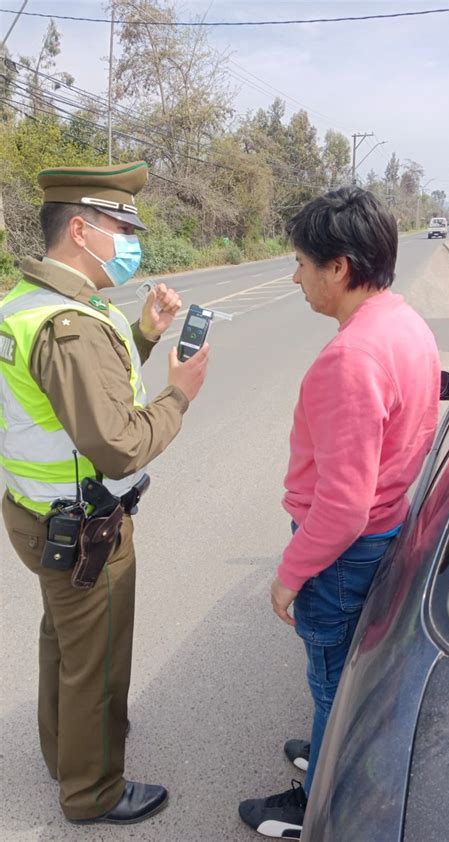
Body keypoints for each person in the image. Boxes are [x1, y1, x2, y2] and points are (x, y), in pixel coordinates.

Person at [0, 161, 209, 825]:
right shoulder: (71, 325)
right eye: (124, 229)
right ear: (83, 230)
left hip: (39, 515)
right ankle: (92, 791)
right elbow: (117, 441)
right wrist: (181, 394)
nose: (133, 242)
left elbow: (84, 402)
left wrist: (145, 332)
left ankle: (64, 748)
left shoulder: (28, 306)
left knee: (63, 636)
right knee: (97, 653)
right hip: (86, 525)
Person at [239, 187, 440, 839]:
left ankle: (319, 800)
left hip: (345, 551)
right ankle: (332, 747)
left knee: (332, 683)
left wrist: (291, 572)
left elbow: (343, 505)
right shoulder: (402, 322)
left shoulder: (351, 358)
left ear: (340, 268)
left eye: (301, 262)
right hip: (383, 531)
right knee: (351, 671)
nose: (295, 277)